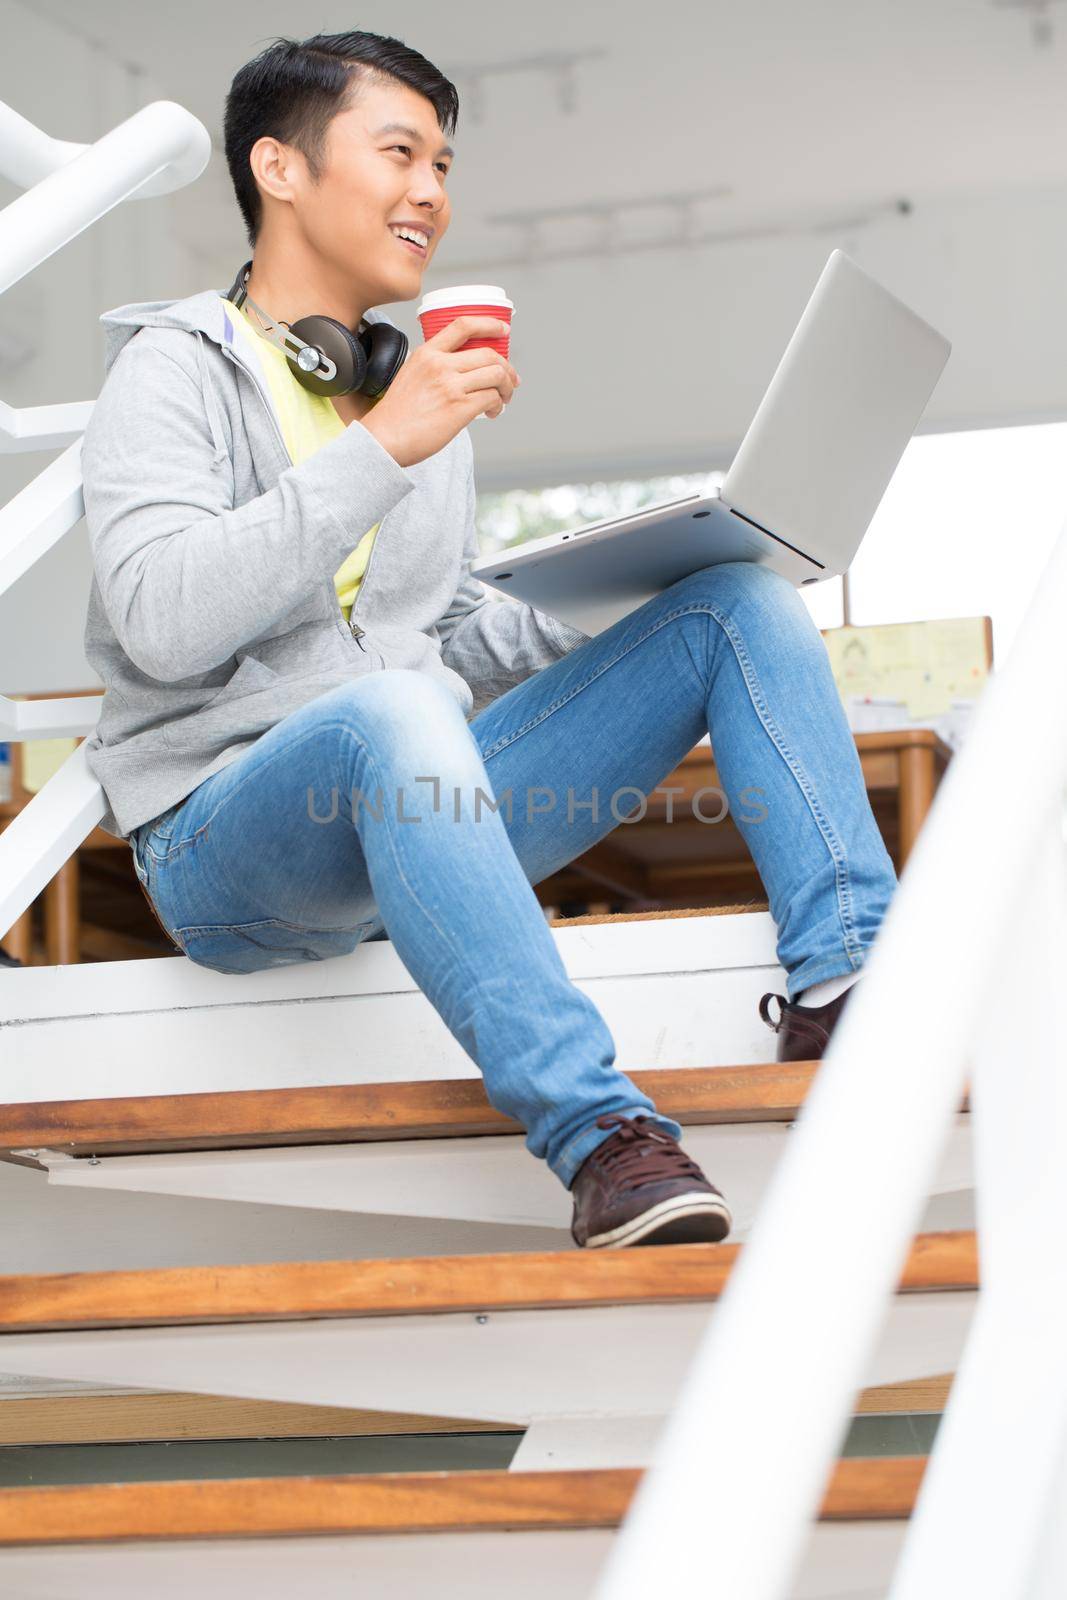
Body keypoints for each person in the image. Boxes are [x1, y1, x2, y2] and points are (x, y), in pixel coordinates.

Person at [80, 30, 897, 1251]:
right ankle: (601, 1139)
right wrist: (382, 448)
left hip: (417, 813)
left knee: (735, 600)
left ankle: (845, 987)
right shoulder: (173, 371)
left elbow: (438, 638)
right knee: (395, 718)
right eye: (399, 152)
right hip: (229, 848)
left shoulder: (410, 394)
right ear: (280, 168)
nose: (431, 194)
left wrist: (626, 573)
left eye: (443, 165)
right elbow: (163, 619)